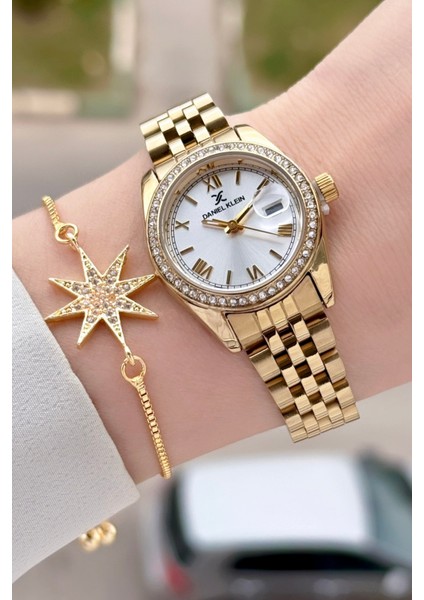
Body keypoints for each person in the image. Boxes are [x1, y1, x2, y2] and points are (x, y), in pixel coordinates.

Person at [12, 0, 411, 581]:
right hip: (228, 285)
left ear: (316, 194)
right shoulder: (192, 201)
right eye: (226, 222)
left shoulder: (298, 237)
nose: (231, 226)